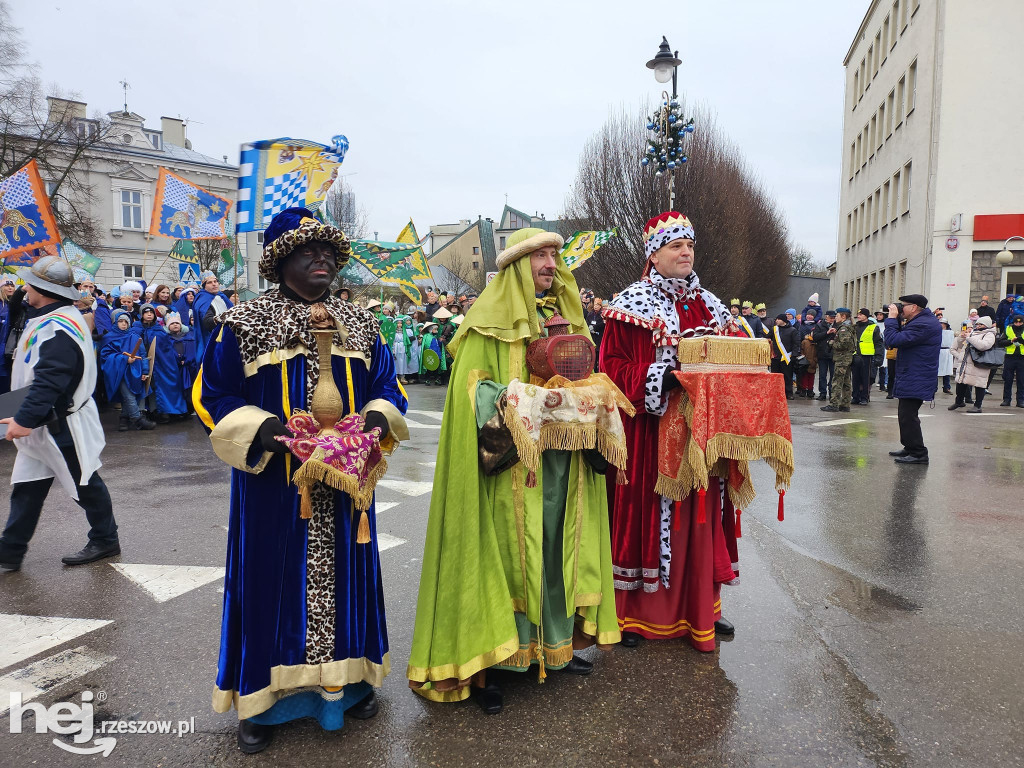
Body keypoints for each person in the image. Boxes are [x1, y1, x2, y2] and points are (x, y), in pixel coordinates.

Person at [195, 207, 409, 753]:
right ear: (278, 261)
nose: (321, 259)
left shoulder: (359, 321)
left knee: (349, 584)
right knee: (269, 583)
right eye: (305, 250)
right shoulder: (244, 323)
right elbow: (212, 394)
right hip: (274, 488)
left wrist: (378, 418)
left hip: (348, 488)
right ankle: (262, 703)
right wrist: (265, 431)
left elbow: (388, 382)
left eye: (328, 252)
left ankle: (350, 687)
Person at [407, 226, 619, 714]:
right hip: (509, 470)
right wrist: (525, 399)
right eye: (540, 256)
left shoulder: (566, 317)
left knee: (555, 550)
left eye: (553, 255)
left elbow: (585, 378)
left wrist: (592, 394)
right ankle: (496, 663)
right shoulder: (485, 322)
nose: (550, 263)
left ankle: (554, 649)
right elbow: (472, 396)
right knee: (506, 556)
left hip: (561, 465)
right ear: (516, 267)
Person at [600, 212, 739, 651]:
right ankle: (636, 617)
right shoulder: (632, 304)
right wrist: (665, 377)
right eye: (675, 246)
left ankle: (701, 611)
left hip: (701, 438)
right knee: (650, 521)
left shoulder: (712, 305)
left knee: (699, 522)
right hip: (650, 435)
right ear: (653, 254)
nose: (685, 253)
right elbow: (612, 370)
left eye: (690, 246)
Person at [0, 257, 118, 571]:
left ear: (43, 290)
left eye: (29, 284)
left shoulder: (58, 326)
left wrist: (23, 419)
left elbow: (51, 379)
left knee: (85, 483)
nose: (24, 287)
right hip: (45, 420)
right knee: (27, 487)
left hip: (61, 423)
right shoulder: (52, 315)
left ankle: (106, 539)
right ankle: (9, 553)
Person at [884, 294, 942, 463]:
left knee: (908, 415)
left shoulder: (924, 324)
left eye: (904, 305)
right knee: (905, 414)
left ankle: (919, 453)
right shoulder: (919, 321)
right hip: (912, 373)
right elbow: (893, 341)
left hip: (918, 375)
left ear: (914, 307)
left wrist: (892, 319)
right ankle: (909, 447)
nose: (901, 308)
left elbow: (893, 339)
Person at [100, 310, 155, 431]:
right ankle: (138, 419)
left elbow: (143, 354)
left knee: (131, 395)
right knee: (128, 395)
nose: (124, 324)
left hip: (135, 371)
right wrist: (124, 359)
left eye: (126, 321)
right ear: (115, 323)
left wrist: (145, 371)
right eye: (121, 321)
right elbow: (105, 356)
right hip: (118, 372)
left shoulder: (135, 337)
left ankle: (124, 418)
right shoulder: (109, 338)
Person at [150, 312, 197, 421]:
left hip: (187, 367)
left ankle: (187, 410)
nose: (175, 325)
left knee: (188, 389)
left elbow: (192, 351)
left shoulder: (189, 337)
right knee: (174, 389)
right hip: (173, 368)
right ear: (167, 326)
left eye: (177, 323)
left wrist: (186, 360)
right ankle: (174, 411)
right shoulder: (165, 338)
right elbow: (165, 353)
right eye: (172, 323)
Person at [949, 316, 997, 413]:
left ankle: (978, 405)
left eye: (981, 324)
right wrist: (961, 337)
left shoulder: (990, 334)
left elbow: (983, 346)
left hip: (979, 364)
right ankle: (959, 402)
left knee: (979, 384)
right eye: (977, 324)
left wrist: (969, 338)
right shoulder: (973, 332)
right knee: (961, 382)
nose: (978, 326)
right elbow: (960, 345)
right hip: (966, 363)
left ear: (987, 325)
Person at [192, 271, 233, 362]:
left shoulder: (222, 296)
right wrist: (219, 319)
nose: (214, 284)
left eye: (215, 281)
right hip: (212, 339)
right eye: (210, 283)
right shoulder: (202, 299)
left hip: (228, 337)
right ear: (204, 286)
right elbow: (207, 322)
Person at [820, 308, 855, 412]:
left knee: (837, 381)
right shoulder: (846, 327)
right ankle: (845, 404)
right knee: (846, 382)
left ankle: (834, 404)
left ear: (843, 316)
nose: (835, 318)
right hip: (846, 358)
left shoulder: (844, 328)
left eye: (837, 316)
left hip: (842, 358)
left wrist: (831, 343)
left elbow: (844, 344)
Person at [852, 308, 882, 405]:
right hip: (856, 354)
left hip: (867, 356)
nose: (859, 316)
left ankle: (864, 397)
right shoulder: (855, 327)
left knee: (866, 378)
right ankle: (855, 396)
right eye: (858, 314)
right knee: (855, 377)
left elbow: (878, 343)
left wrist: (878, 356)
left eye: (861, 314)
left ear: (866, 316)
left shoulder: (873, 327)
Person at [997, 314, 1024, 407]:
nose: (1018, 324)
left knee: (1021, 380)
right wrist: (1010, 341)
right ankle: (1006, 399)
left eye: (1020, 322)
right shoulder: (1008, 329)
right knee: (1008, 379)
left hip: (1022, 358)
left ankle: (1021, 400)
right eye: (1016, 322)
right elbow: (1000, 342)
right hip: (1010, 357)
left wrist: (1022, 341)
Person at [769, 314, 799, 400]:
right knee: (775, 376)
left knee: (787, 376)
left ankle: (788, 393)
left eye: (778, 319)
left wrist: (794, 355)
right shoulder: (774, 329)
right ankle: (775, 392)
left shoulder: (792, 330)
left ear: (783, 320)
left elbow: (796, 344)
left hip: (787, 357)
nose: (776, 321)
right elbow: (767, 338)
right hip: (775, 357)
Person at [812, 310, 836, 400]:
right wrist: (827, 333)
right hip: (822, 353)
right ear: (826, 317)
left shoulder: (837, 325)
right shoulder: (819, 325)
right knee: (822, 375)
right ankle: (822, 393)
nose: (832, 319)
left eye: (834, 317)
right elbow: (815, 337)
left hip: (833, 353)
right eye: (831, 317)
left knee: (833, 375)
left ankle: (832, 392)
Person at [392, 314, 416, 385]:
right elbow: (391, 341)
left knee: (403, 362)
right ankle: (395, 377)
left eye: (400, 323)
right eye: (398, 323)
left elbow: (407, 340)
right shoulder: (393, 332)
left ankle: (402, 376)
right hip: (395, 347)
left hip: (403, 347)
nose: (399, 325)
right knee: (396, 362)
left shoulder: (404, 332)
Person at [938, 319, 954, 394]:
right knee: (936, 370)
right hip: (939, 351)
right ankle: (934, 387)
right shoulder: (936, 331)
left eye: (943, 323)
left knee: (947, 370)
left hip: (947, 352)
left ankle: (946, 387)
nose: (941, 324)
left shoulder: (950, 332)